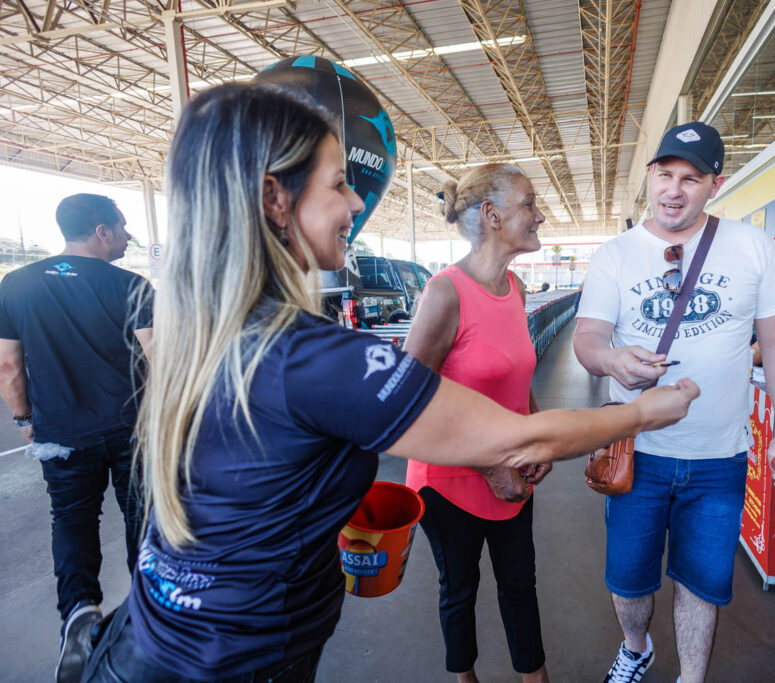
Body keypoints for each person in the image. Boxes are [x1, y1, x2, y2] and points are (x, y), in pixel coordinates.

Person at [81, 82, 699, 682]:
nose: (356, 204)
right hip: (235, 661)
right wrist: (644, 413)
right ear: (275, 198)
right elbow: (520, 440)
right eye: (338, 184)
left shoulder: (204, 328)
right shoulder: (312, 357)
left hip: (152, 641)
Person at [573, 121, 775, 683]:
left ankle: (691, 678)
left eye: (691, 178)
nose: (674, 190)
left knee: (702, 585)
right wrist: (613, 360)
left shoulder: (751, 247)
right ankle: (636, 648)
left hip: (719, 459)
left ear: (714, 185)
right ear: (650, 176)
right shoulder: (615, 254)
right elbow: (587, 339)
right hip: (636, 455)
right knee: (628, 581)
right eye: (665, 174)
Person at [403, 163, 550, 683]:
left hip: (512, 470)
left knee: (520, 585)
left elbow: (516, 374)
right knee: (459, 590)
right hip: (450, 478)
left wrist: (536, 435)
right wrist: (491, 467)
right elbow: (409, 401)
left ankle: (536, 678)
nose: (539, 215)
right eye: (529, 204)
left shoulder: (516, 289)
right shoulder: (445, 293)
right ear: (492, 215)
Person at [0, 193, 153, 682]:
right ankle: (146, 615)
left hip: (61, 434)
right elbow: (160, 358)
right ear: (102, 231)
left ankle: (79, 610)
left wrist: (25, 418)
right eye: (123, 228)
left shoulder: (16, 284)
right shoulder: (131, 285)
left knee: (71, 518)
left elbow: (8, 366)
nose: (127, 238)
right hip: (131, 428)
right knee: (143, 515)